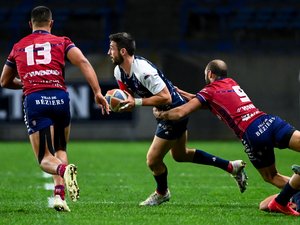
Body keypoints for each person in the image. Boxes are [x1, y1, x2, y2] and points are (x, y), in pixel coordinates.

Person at [107, 32, 248, 206]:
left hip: (174, 111)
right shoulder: (118, 71)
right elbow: (126, 95)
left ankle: (162, 193)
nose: (108, 52)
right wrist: (116, 101)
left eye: (111, 48)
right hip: (165, 111)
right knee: (181, 155)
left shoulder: (144, 71)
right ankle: (231, 167)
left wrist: (134, 102)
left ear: (122, 51)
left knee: (152, 160)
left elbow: (165, 97)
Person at [153, 59, 300, 214]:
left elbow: (180, 112)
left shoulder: (209, 91)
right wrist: (181, 92)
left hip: (253, 133)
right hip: (269, 121)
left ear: (209, 73)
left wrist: (161, 113)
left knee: (271, 176)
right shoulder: (231, 83)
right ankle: (294, 193)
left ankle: (291, 196)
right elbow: (211, 103)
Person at [0, 6, 109, 212]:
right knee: (60, 149)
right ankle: (60, 196)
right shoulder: (62, 41)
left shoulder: (18, 46)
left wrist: (26, 83)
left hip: (36, 100)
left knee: (44, 159)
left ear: (30, 24)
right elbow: (84, 62)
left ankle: (64, 169)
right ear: (51, 23)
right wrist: (97, 92)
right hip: (60, 99)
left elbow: (4, 81)